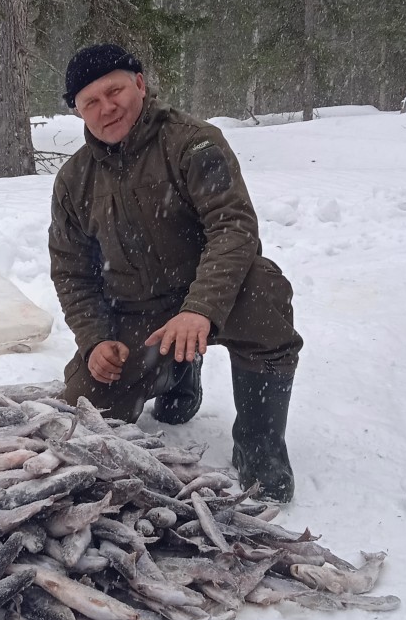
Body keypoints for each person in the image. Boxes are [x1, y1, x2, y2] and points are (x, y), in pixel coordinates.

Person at [48, 42, 302, 502]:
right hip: (136, 312)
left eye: (115, 90)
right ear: (78, 112)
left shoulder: (192, 142)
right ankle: (177, 372)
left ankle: (259, 450)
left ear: (140, 85)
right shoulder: (73, 180)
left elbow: (233, 227)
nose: (107, 108)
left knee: (265, 292)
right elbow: (72, 273)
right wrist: (94, 339)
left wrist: (200, 309)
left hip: (210, 295)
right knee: (88, 401)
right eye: (91, 102)